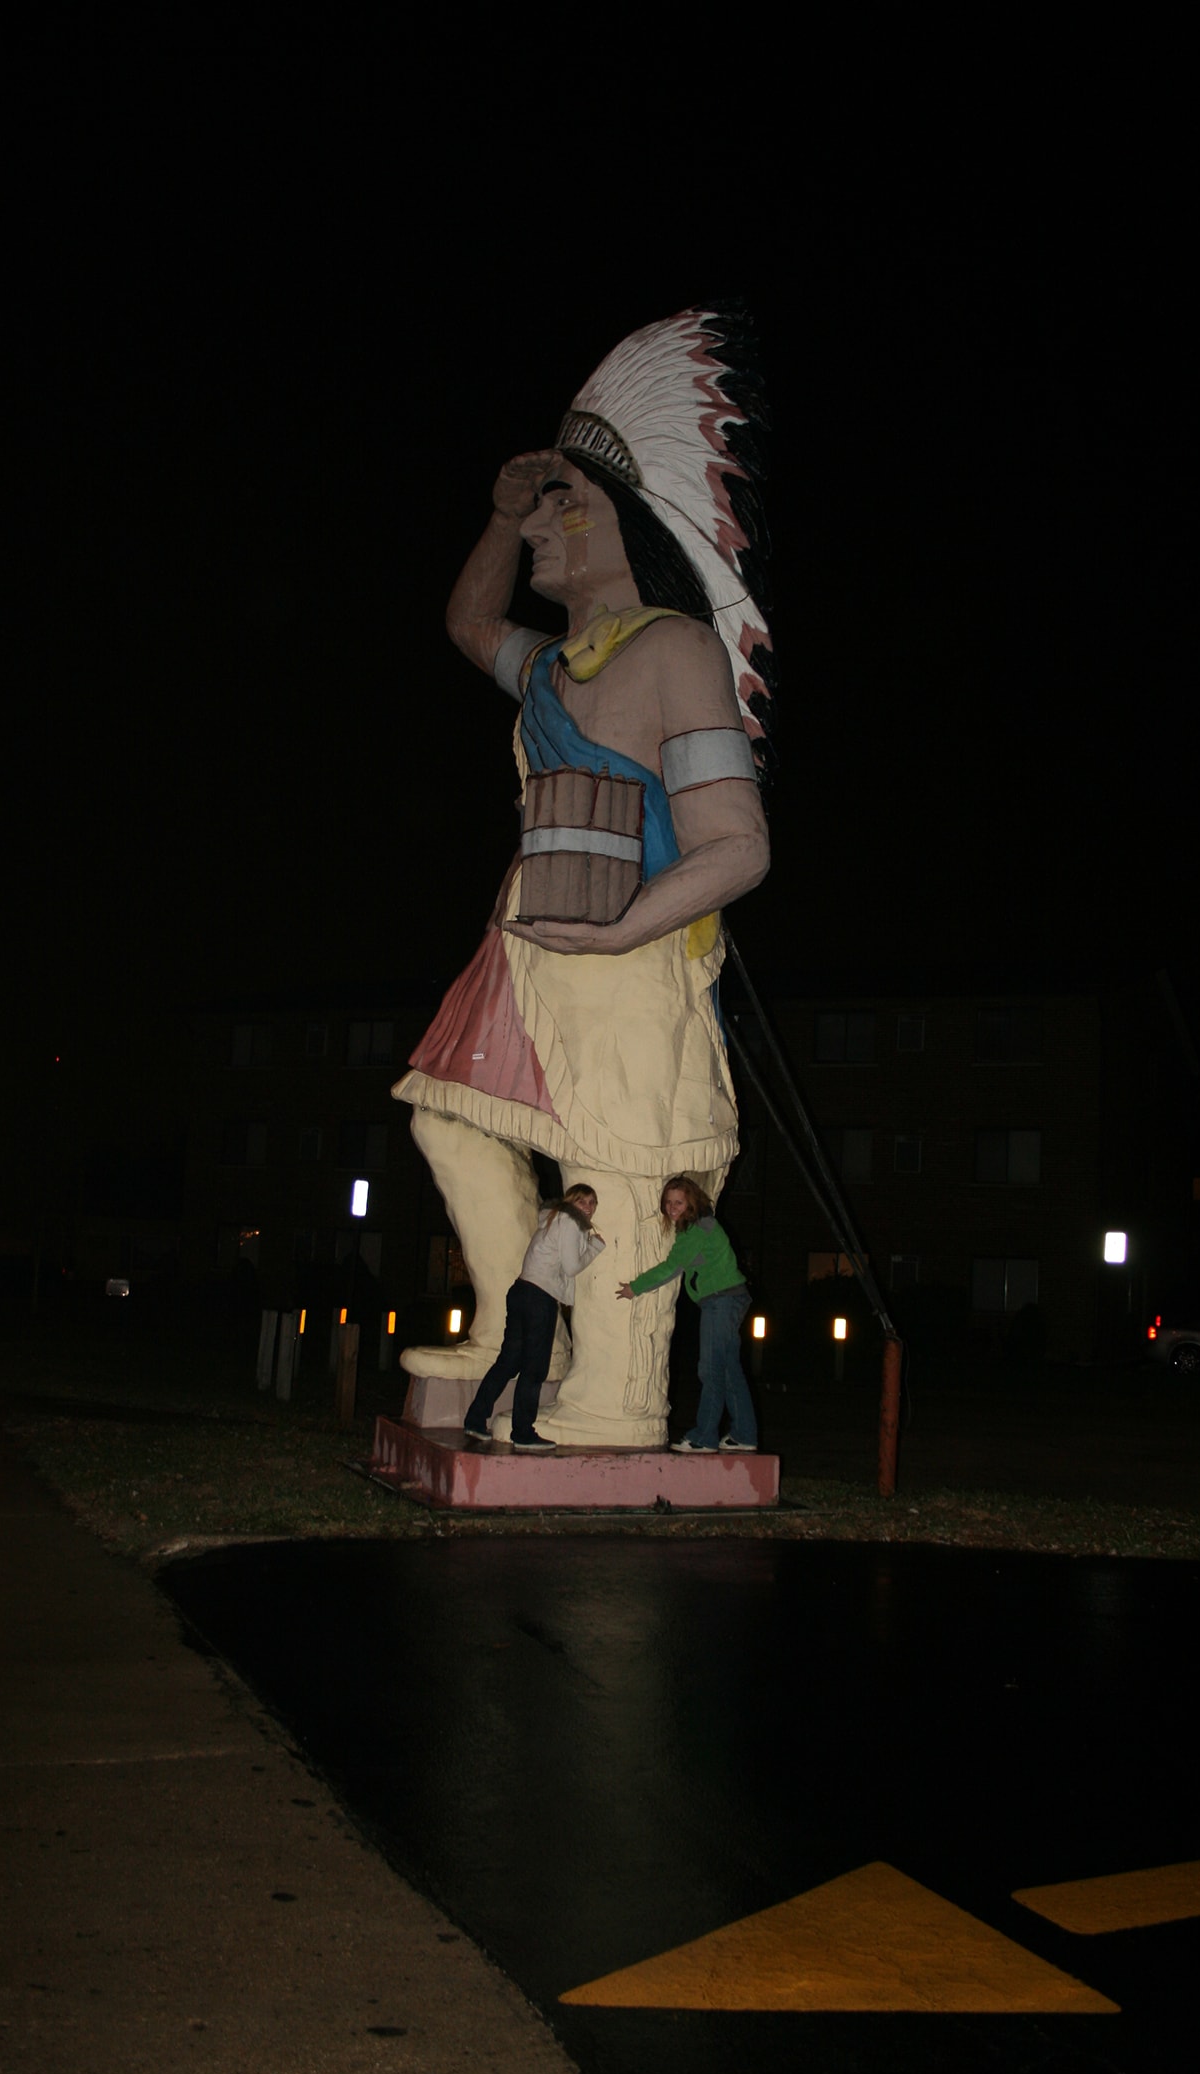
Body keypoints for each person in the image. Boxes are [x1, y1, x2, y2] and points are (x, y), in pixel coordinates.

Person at [393, 307, 775, 1447]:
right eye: (543, 504)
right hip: (520, 952)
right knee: (450, 1126)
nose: (547, 524)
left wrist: (620, 935)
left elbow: (737, 844)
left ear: (634, 531)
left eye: (570, 503)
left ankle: (615, 1397)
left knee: (614, 1163)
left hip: (626, 961)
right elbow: (468, 619)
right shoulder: (554, 666)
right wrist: (500, 518)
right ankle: (530, 1326)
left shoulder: (672, 651)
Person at [616, 1176, 757, 1453]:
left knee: (711, 1369)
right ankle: (744, 1434)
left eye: (678, 1202)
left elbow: (672, 1267)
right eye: (668, 1202)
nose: (672, 1207)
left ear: (691, 1201)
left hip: (722, 1301)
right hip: (727, 1299)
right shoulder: (698, 1227)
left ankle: (703, 1437)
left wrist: (635, 1287)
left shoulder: (699, 1228)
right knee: (729, 1370)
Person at [463, 1186, 603, 1452]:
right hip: (539, 1297)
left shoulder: (553, 1220)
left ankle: (475, 1419)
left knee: (508, 1362)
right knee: (533, 1367)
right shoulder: (569, 1222)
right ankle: (523, 1432)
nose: (588, 1206)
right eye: (582, 1200)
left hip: (521, 1291)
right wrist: (595, 1247)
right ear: (570, 1202)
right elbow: (572, 1266)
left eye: (592, 1202)